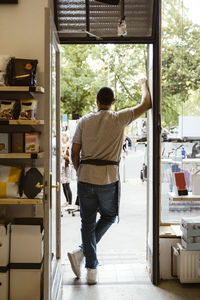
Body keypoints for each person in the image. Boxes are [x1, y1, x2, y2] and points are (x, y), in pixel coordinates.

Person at [67, 78, 151, 285]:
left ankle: (89, 266)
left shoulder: (84, 121)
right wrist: (143, 85)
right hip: (108, 178)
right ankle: (82, 254)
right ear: (113, 101)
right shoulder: (120, 118)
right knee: (110, 216)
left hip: (86, 177)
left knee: (86, 223)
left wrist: (80, 171)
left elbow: (74, 152)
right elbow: (146, 104)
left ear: (96, 101)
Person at [61, 132, 72, 207]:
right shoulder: (62, 146)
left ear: (67, 138)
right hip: (62, 167)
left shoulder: (68, 146)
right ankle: (67, 201)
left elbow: (70, 158)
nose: (62, 138)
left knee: (67, 185)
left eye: (64, 136)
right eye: (62, 136)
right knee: (63, 185)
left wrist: (63, 156)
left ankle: (70, 203)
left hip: (67, 167)